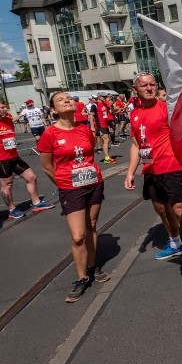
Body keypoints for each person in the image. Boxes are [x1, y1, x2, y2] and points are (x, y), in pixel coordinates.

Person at [125, 73, 182, 274]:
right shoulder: (134, 114)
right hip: (150, 169)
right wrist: (130, 172)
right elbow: (136, 144)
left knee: (178, 208)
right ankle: (175, 243)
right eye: (144, 85)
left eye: (152, 84)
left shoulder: (166, 110)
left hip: (171, 166)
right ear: (136, 90)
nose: (149, 88)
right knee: (161, 208)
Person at [38, 92, 111, 303]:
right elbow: (46, 166)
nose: (67, 100)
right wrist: (63, 184)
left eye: (69, 98)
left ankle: (92, 266)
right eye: (60, 100)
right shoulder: (50, 134)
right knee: (78, 235)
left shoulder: (84, 129)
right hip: (70, 188)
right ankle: (81, 278)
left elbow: (90, 153)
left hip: (93, 183)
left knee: (92, 226)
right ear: (53, 109)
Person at [0, 98, 53, 219]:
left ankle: (36, 203)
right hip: (0, 159)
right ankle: (12, 209)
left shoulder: (8, 120)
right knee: (7, 184)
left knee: (31, 177)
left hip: (14, 156)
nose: (5, 109)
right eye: (2, 107)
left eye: (5, 107)